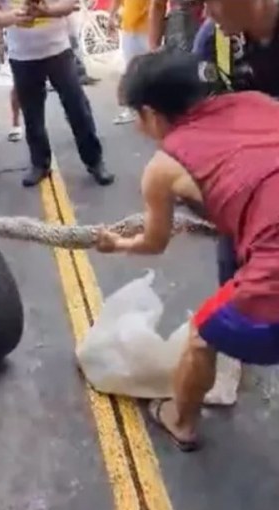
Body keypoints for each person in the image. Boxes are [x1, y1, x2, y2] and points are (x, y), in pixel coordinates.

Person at [97, 50, 279, 451]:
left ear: (150, 114)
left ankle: (180, 421)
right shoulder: (259, 102)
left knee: (202, 333)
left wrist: (117, 243)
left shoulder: (164, 167)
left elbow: (153, 242)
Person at [190, 0, 279, 289]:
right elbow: (204, 125)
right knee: (235, 284)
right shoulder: (213, 41)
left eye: (210, 1)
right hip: (246, 193)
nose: (205, 13)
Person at [0, 0, 114, 188]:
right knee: (32, 115)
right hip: (22, 57)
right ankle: (40, 164)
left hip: (58, 52)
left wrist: (47, 10)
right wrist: (11, 17)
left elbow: (70, 4)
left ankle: (95, 161)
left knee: (77, 108)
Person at [108, 0, 149, 124]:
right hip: (130, 27)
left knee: (148, 69)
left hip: (147, 27)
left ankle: (153, 108)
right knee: (132, 68)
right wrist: (111, 16)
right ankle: (133, 108)